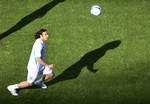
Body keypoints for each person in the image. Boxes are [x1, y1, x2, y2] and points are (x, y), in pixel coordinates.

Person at [7, 29, 55, 96]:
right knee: (29, 83)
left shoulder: (43, 41)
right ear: (41, 36)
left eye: (47, 34)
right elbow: (37, 59)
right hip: (34, 67)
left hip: (41, 64)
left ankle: (39, 82)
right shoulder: (38, 45)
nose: (47, 36)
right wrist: (48, 65)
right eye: (45, 34)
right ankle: (12, 87)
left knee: (50, 74)